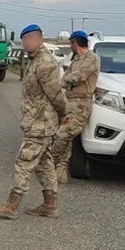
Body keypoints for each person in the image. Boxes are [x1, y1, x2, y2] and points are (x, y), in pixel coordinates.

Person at [0, 23, 66, 219]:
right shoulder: (34, 59)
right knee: (44, 164)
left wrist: (65, 114)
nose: (24, 44)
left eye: (27, 40)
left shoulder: (45, 63)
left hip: (41, 123)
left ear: (37, 39)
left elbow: (56, 94)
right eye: (23, 40)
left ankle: (12, 206)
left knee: (24, 161)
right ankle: (50, 205)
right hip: (37, 122)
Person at [50, 31, 100, 184]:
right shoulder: (76, 60)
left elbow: (78, 77)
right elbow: (66, 76)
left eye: (70, 43)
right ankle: (61, 171)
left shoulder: (91, 58)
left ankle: (49, 162)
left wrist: (63, 82)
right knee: (67, 138)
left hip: (81, 103)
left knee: (63, 135)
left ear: (75, 43)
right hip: (70, 101)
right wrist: (65, 80)